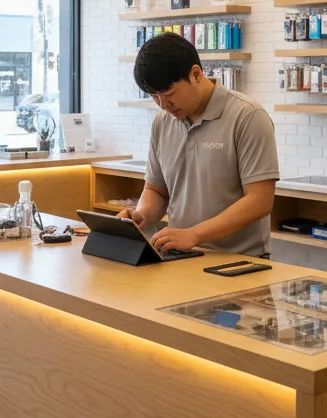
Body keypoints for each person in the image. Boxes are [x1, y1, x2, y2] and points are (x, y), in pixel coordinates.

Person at [118, 33, 278, 257]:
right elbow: (157, 189)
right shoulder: (162, 122)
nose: (163, 105)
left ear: (195, 74)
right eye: (154, 96)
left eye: (169, 93)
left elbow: (259, 201)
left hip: (242, 262)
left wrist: (194, 234)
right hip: (180, 256)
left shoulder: (248, 116)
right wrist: (142, 214)